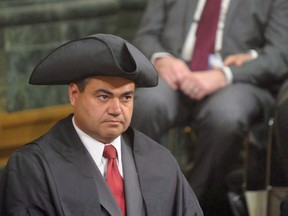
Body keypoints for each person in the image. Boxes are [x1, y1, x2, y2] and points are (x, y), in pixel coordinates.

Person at [0, 34, 203, 216]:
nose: (116, 109)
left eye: (126, 97)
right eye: (104, 96)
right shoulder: (33, 168)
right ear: (74, 94)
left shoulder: (159, 161)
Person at [130, 0, 288, 215]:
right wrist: (161, 59)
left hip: (236, 80)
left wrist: (223, 75)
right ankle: (140, 198)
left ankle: (194, 203)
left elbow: (279, 55)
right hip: (175, 75)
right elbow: (145, 36)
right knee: (145, 104)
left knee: (226, 116)